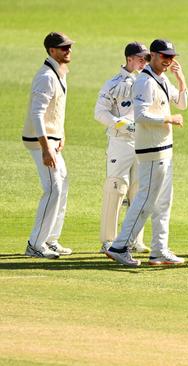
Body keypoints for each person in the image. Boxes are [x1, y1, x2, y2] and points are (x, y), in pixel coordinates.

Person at [105, 39, 188, 267]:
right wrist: (168, 118)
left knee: (163, 203)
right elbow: (140, 116)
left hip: (164, 149)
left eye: (171, 57)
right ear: (153, 55)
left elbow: (182, 104)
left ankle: (159, 250)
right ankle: (120, 246)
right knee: (145, 201)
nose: (168, 61)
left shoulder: (161, 79)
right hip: (151, 151)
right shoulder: (144, 81)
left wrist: (181, 80)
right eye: (164, 56)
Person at [22, 32, 75, 259]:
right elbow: (37, 113)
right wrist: (45, 147)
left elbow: (56, 110)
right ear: (52, 51)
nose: (68, 51)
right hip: (40, 142)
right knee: (53, 188)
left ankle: (51, 240)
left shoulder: (59, 72)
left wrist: (60, 134)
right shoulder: (46, 76)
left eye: (69, 47)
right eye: (63, 48)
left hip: (51, 140)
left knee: (62, 185)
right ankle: (35, 244)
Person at [94, 42, 151, 254]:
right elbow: (100, 113)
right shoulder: (113, 83)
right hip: (120, 141)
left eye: (146, 58)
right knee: (116, 188)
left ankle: (134, 240)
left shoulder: (148, 81)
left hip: (143, 142)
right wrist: (123, 124)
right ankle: (108, 241)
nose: (144, 62)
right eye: (140, 58)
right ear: (129, 59)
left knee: (139, 189)